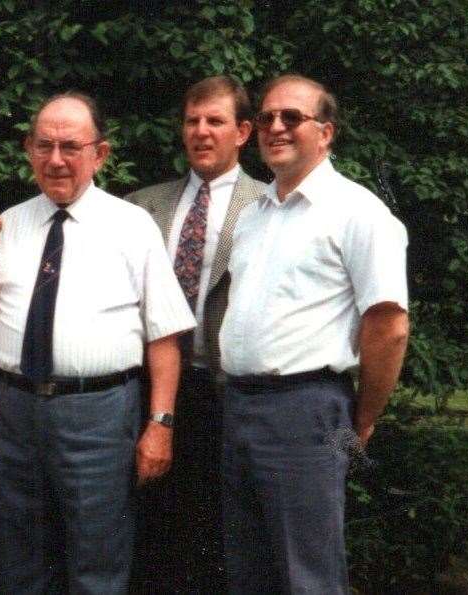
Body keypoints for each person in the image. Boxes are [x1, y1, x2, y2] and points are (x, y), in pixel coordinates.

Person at [0, 92, 196, 594]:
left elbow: (165, 336)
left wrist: (161, 424)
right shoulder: (3, 225)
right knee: (19, 559)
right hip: (13, 412)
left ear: (100, 154)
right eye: (44, 146)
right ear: (28, 150)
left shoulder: (132, 225)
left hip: (99, 416)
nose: (56, 160)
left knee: (97, 558)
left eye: (70, 147)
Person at [220, 74, 409, 594]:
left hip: (312, 410)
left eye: (292, 118)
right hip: (238, 405)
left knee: (307, 570)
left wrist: (362, 420)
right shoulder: (255, 215)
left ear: (325, 133)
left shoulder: (359, 213)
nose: (275, 127)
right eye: (266, 117)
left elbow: (389, 325)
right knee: (248, 567)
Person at [127, 75, 264, 593]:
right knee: (149, 527)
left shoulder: (267, 206)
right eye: (192, 121)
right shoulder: (141, 205)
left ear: (243, 131)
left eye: (216, 121)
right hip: (148, 386)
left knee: (214, 529)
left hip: (222, 389)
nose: (201, 132)